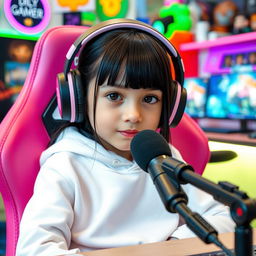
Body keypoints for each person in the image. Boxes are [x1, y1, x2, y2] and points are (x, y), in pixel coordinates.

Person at [16, 19, 235, 256]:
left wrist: (173, 244)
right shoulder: (65, 165)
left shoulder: (165, 158)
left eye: (150, 99)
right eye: (114, 96)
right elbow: (34, 250)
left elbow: (225, 218)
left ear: (170, 105)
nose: (133, 115)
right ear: (78, 97)